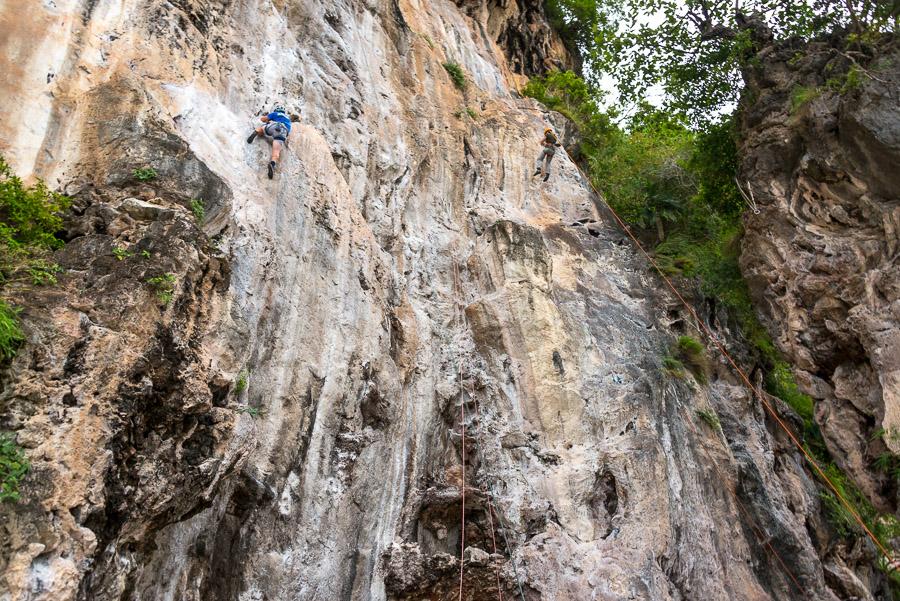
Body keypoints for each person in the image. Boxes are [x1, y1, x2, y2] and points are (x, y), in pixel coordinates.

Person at [247, 103, 292, 179]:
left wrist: (267, 121)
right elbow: (288, 131)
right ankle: (272, 164)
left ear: (276, 109)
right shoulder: (288, 120)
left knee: (261, 129)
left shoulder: (275, 113)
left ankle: (256, 132)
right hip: (283, 131)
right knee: (276, 152)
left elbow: (263, 119)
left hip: (274, 125)